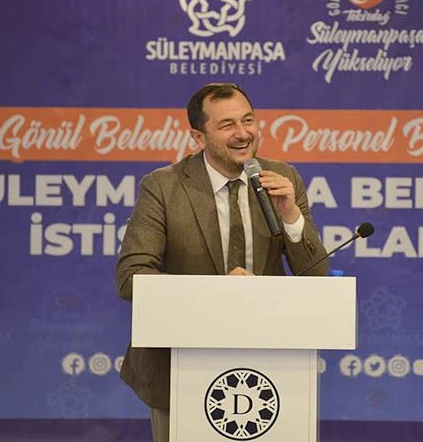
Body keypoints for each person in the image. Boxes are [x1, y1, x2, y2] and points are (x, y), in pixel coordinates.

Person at [115, 83, 329, 442]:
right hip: (180, 366)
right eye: (227, 125)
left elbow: (316, 274)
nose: (243, 133)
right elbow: (130, 278)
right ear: (198, 137)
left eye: (248, 120)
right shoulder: (163, 187)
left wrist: (291, 216)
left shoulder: (283, 178)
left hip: (269, 364)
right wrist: (216, 292)